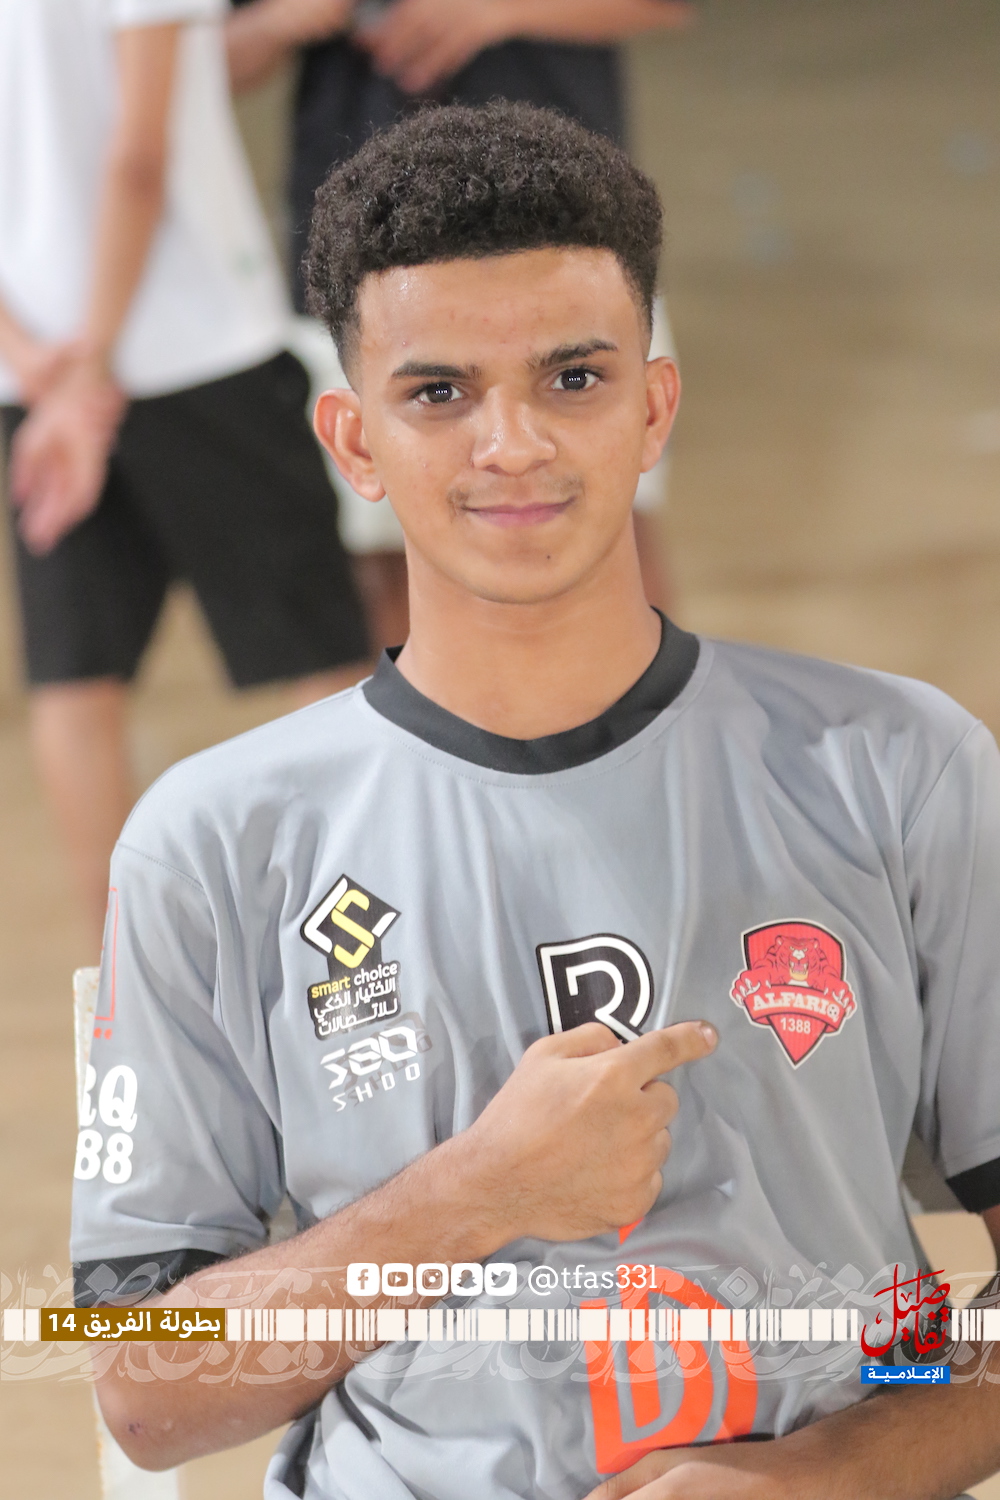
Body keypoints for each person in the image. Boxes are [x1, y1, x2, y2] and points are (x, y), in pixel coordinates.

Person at [71, 103, 1000, 1500]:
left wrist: (823, 1477)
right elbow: (145, 1389)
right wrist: (477, 1193)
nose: (510, 443)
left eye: (572, 377)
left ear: (654, 407)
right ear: (353, 441)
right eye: (438, 392)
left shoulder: (897, 765)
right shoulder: (214, 843)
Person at [0, 0, 369, 951]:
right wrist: (93, 368)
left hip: (35, 375)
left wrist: (39, 367)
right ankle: (361, 955)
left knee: (75, 681)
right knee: (323, 664)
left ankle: (120, 989)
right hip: (194, 346)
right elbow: (138, 154)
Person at [225, 0, 691, 639]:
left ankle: (646, 704)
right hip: (364, 256)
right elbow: (196, 59)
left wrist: (490, 10)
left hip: (571, 243)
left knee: (613, 533)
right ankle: (413, 707)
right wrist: (285, 19)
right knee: (382, 549)